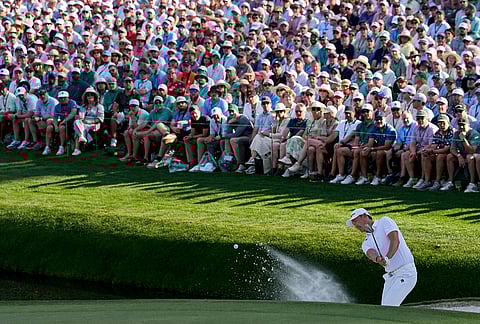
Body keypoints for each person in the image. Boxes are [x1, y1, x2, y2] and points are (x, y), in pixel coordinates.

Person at [346, 208, 417, 306]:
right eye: (353, 223)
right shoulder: (365, 243)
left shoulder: (385, 221)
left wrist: (388, 257)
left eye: (356, 221)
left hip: (406, 273)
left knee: (389, 306)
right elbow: (371, 253)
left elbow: (395, 240)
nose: (355, 225)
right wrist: (378, 259)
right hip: (390, 277)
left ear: (365, 216)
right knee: (385, 308)